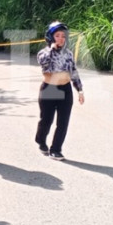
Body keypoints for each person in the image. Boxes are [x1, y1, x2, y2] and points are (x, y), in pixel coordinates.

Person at [34, 22, 85, 160]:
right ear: (51, 37)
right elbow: (43, 62)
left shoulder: (68, 54)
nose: (61, 39)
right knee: (46, 120)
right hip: (50, 89)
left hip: (65, 89)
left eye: (63, 36)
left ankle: (56, 149)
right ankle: (40, 140)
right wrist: (52, 49)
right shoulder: (44, 52)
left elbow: (73, 71)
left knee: (63, 122)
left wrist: (80, 90)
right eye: (57, 36)